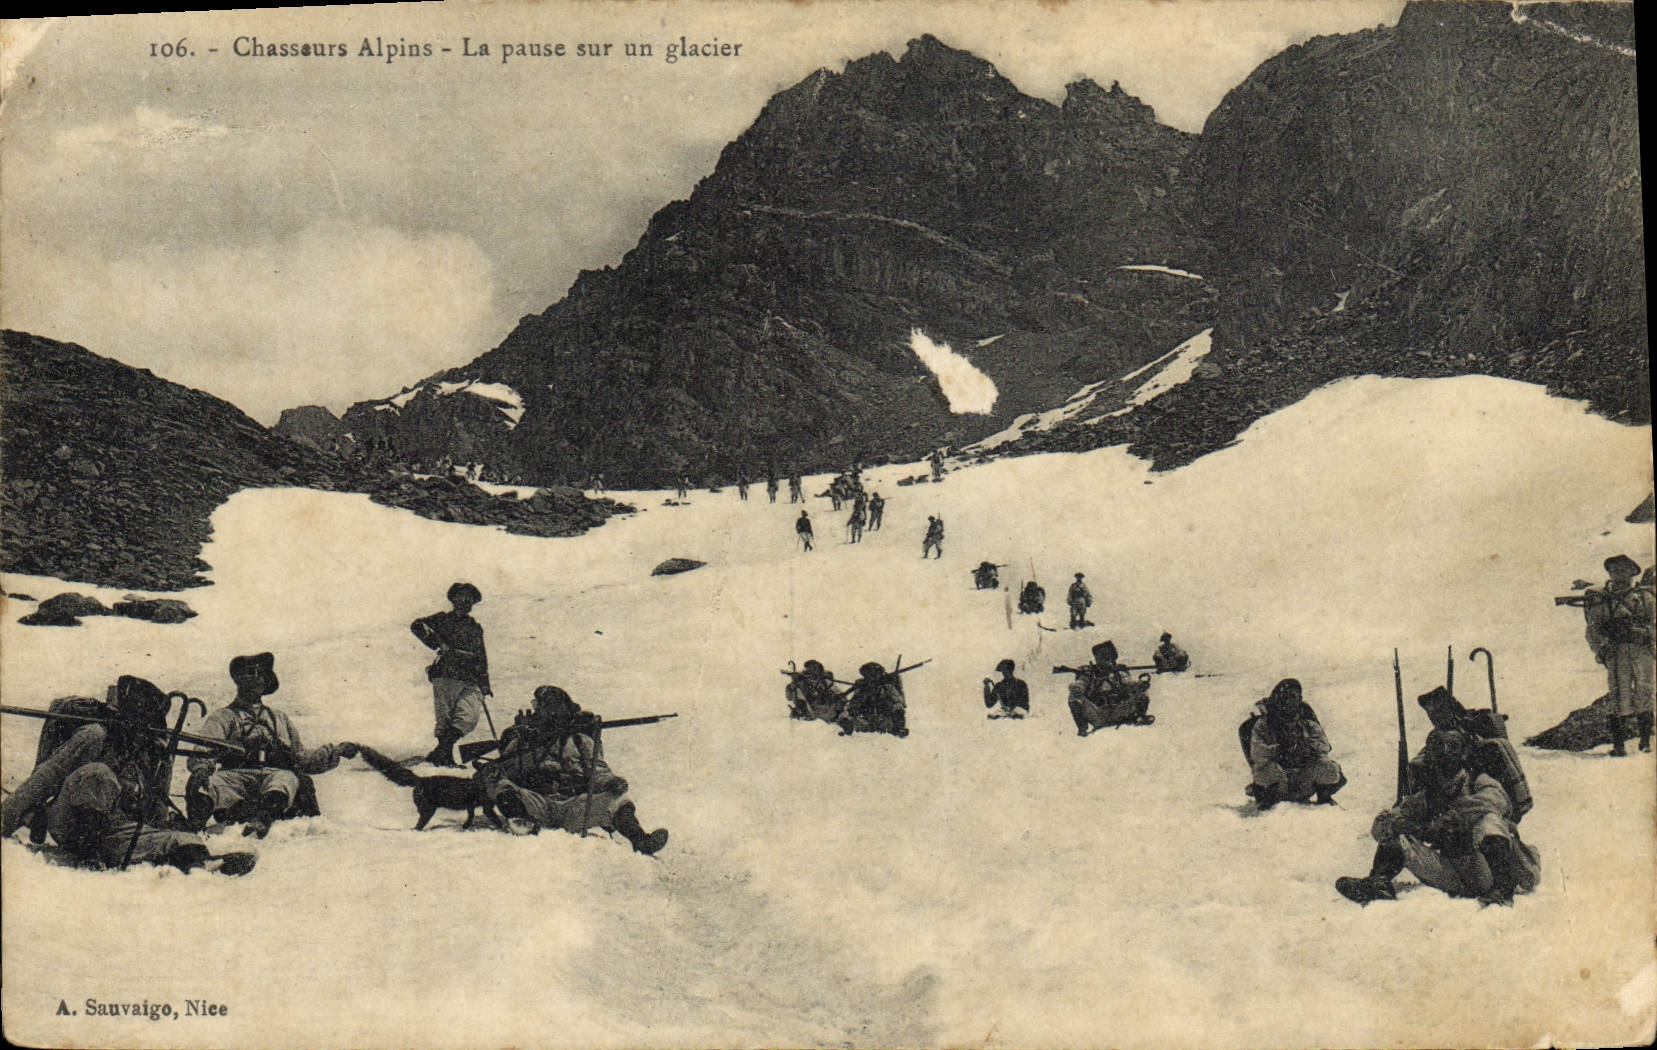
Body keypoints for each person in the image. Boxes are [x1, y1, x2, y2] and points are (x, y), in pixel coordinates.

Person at [1, 676, 237, 873]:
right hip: (71, 823)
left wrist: (166, 833)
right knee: (98, 774)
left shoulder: (155, 751)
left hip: (117, 829)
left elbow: (157, 806)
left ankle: (203, 864)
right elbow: (42, 781)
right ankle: (88, 856)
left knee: (178, 841)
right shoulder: (95, 736)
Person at [1336, 728, 1540, 906]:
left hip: (1489, 871)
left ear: (1464, 753)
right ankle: (1378, 884)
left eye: (1453, 746)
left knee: (1489, 821)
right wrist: (1393, 822)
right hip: (1452, 873)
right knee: (1397, 835)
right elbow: (1381, 829)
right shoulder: (1428, 796)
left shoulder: (1479, 782)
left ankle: (1502, 893)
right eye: (1437, 746)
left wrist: (1444, 820)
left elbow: (1495, 803)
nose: (1445, 752)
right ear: (1429, 754)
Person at [186, 653, 358, 838]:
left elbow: (301, 757)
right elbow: (204, 749)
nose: (255, 678)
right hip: (235, 776)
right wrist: (201, 770)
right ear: (237, 680)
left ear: (266, 682)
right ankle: (196, 832)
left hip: (273, 775)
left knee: (285, 779)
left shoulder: (280, 718)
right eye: (249, 673)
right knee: (209, 784)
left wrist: (336, 751)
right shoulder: (223, 717)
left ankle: (262, 819)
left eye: (261, 674)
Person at [487, 686, 668, 854]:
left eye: (548, 709)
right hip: (538, 805)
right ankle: (524, 824)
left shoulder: (581, 741)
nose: (542, 714)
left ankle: (640, 840)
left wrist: (610, 782)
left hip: (574, 806)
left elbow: (598, 771)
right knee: (498, 783)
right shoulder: (524, 740)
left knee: (617, 799)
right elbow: (505, 772)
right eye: (539, 708)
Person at [410, 582, 492, 767]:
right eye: (461, 597)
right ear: (453, 599)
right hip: (446, 674)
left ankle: (439, 754)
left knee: (468, 718)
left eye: (470, 599)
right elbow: (417, 625)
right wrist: (438, 643)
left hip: (470, 677)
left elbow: (481, 655)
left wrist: (485, 682)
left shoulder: (475, 627)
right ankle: (445, 757)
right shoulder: (442, 619)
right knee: (445, 718)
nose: (465, 601)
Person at [1582, 554, 1654, 755]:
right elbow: (1593, 629)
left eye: (1624, 570)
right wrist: (1603, 648)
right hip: (1617, 652)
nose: (1620, 574)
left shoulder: (1645, 597)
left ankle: (1645, 741)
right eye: (1615, 570)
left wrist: (1646, 633)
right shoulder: (1601, 599)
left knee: (1645, 692)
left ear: (1632, 573)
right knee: (1618, 696)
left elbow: (1654, 622)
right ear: (1609, 573)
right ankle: (1619, 745)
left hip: (1641, 650)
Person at [1242, 679, 1344, 808]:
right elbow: (1256, 751)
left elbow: (1324, 746)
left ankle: (1324, 798)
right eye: (1283, 697)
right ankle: (1269, 803)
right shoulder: (1263, 725)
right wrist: (1278, 750)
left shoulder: (1307, 723)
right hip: (1279, 781)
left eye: (1292, 697)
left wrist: (1306, 748)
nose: (1287, 702)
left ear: (1299, 700)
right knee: (1266, 770)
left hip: (1304, 779)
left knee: (1329, 767)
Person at [1064, 641, 1152, 736]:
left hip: (1119, 712)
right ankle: (1082, 729)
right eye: (1100, 658)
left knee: (1141, 692)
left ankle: (1139, 717)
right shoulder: (1089, 674)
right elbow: (1080, 684)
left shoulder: (1118, 674)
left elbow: (1129, 684)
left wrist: (1140, 685)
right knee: (1074, 697)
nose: (1104, 661)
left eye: (1107, 658)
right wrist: (1077, 689)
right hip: (1098, 714)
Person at [839, 663, 909, 737]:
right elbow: (854, 704)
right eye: (868, 675)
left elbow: (899, 702)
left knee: (897, 707)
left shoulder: (888, 688)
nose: (872, 678)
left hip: (885, 720)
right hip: (867, 721)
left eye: (874, 675)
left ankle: (899, 728)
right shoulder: (862, 689)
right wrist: (854, 709)